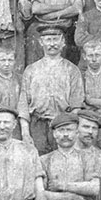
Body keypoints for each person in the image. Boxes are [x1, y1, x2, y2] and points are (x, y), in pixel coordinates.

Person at [23, 25, 85, 154]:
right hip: (38, 126)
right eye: (48, 40)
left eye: (55, 39)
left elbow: (76, 104)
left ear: (63, 42)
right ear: (41, 42)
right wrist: (25, 132)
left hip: (63, 124)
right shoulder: (31, 70)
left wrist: (70, 129)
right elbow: (23, 103)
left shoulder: (72, 70)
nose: (52, 44)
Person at [0, 48, 31, 140]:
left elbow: (24, 107)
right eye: (3, 60)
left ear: (15, 61)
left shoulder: (21, 80)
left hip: (17, 128)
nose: (7, 64)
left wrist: (25, 133)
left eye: (10, 60)